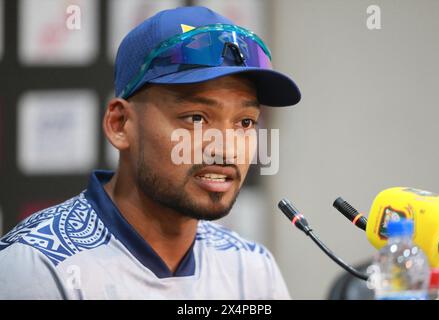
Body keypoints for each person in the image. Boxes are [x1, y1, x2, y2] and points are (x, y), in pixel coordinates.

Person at [0, 6, 300, 299]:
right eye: (196, 118)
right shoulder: (37, 267)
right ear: (120, 124)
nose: (225, 148)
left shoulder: (252, 268)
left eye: (245, 122)